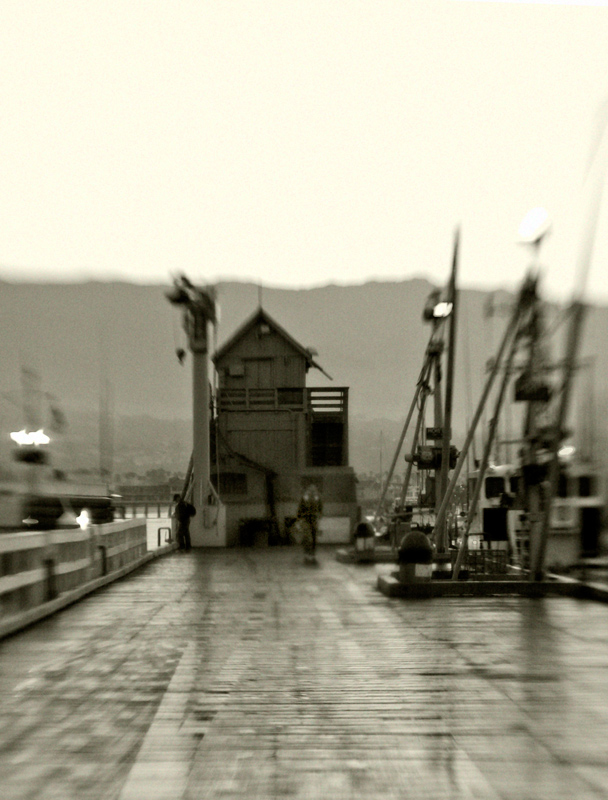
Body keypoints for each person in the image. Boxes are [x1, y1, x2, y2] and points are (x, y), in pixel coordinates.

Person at [297, 484, 323, 559]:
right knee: (306, 536)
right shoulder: (305, 498)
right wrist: (299, 519)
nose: (312, 491)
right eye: (310, 489)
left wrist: (319, 515)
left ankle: (312, 553)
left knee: (314, 536)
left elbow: (320, 507)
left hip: (313, 518)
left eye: (313, 489)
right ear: (307, 490)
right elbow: (300, 508)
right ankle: (307, 552)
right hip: (305, 518)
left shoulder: (317, 497)